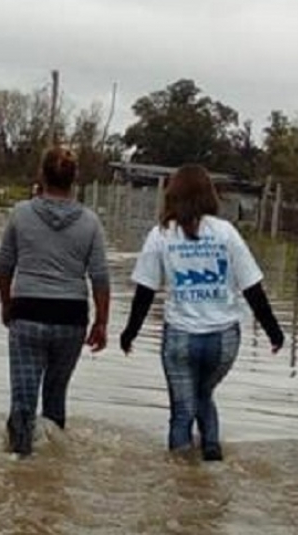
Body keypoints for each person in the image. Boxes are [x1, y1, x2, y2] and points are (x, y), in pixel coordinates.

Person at [121, 164, 284, 462]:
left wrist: (129, 332)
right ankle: (212, 457)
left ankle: (180, 482)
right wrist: (274, 331)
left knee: (182, 412)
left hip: (181, 339)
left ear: (172, 195)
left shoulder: (161, 235)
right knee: (203, 396)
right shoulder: (226, 233)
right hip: (224, 341)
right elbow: (253, 288)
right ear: (210, 194)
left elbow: (145, 292)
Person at [0, 146, 110, 456]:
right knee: (56, 396)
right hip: (71, 318)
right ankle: (54, 467)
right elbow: (100, 277)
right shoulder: (90, 222)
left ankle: (19, 459)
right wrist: (101, 322)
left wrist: (6, 304)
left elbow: (5, 265)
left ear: (41, 176)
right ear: (75, 181)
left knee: (23, 399)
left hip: (28, 312)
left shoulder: (21, 213)